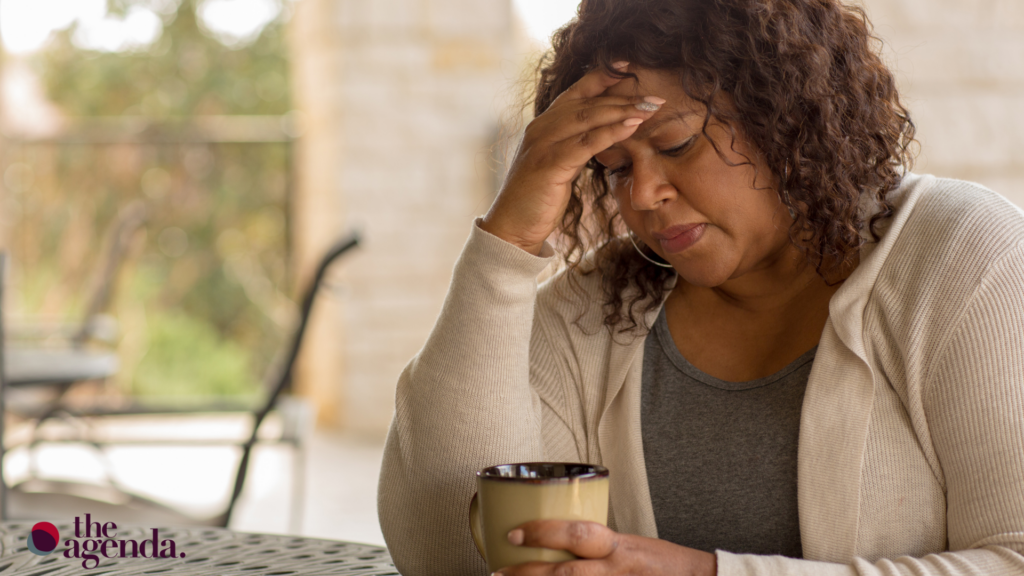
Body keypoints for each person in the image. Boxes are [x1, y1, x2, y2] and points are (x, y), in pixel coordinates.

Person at [377, 0, 1024, 574]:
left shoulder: (964, 260)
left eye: (678, 144)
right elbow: (447, 555)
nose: (643, 195)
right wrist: (508, 244)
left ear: (784, 114)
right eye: (615, 168)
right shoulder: (597, 307)